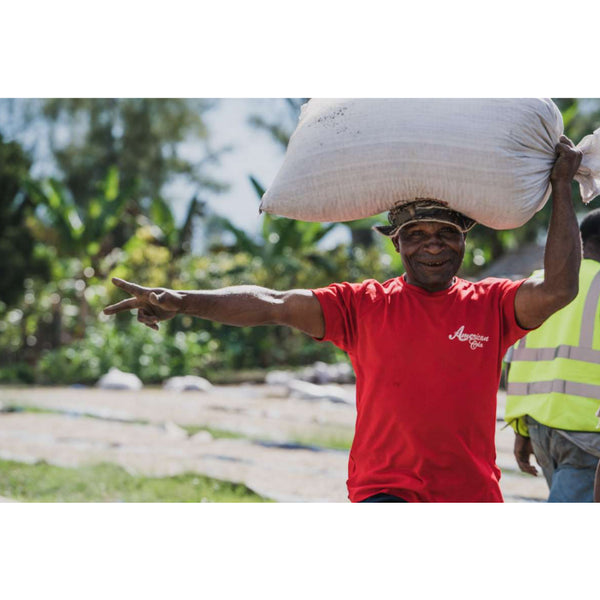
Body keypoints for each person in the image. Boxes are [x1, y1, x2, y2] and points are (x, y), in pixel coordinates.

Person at [103, 136, 582, 502]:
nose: (432, 244)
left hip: (469, 495)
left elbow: (559, 288)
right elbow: (273, 303)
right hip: (384, 492)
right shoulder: (361, 304)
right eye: (416, 234)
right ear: (395, 243)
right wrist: (182, 300)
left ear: (463, 243)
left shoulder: (492, 304)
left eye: (446, 233)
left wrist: (561, 187)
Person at [505, 208, 600, 502]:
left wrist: (522, 430)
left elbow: (514, 359)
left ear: (580, 241)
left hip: (539, 427)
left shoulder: (539, 282)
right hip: (587, 433)